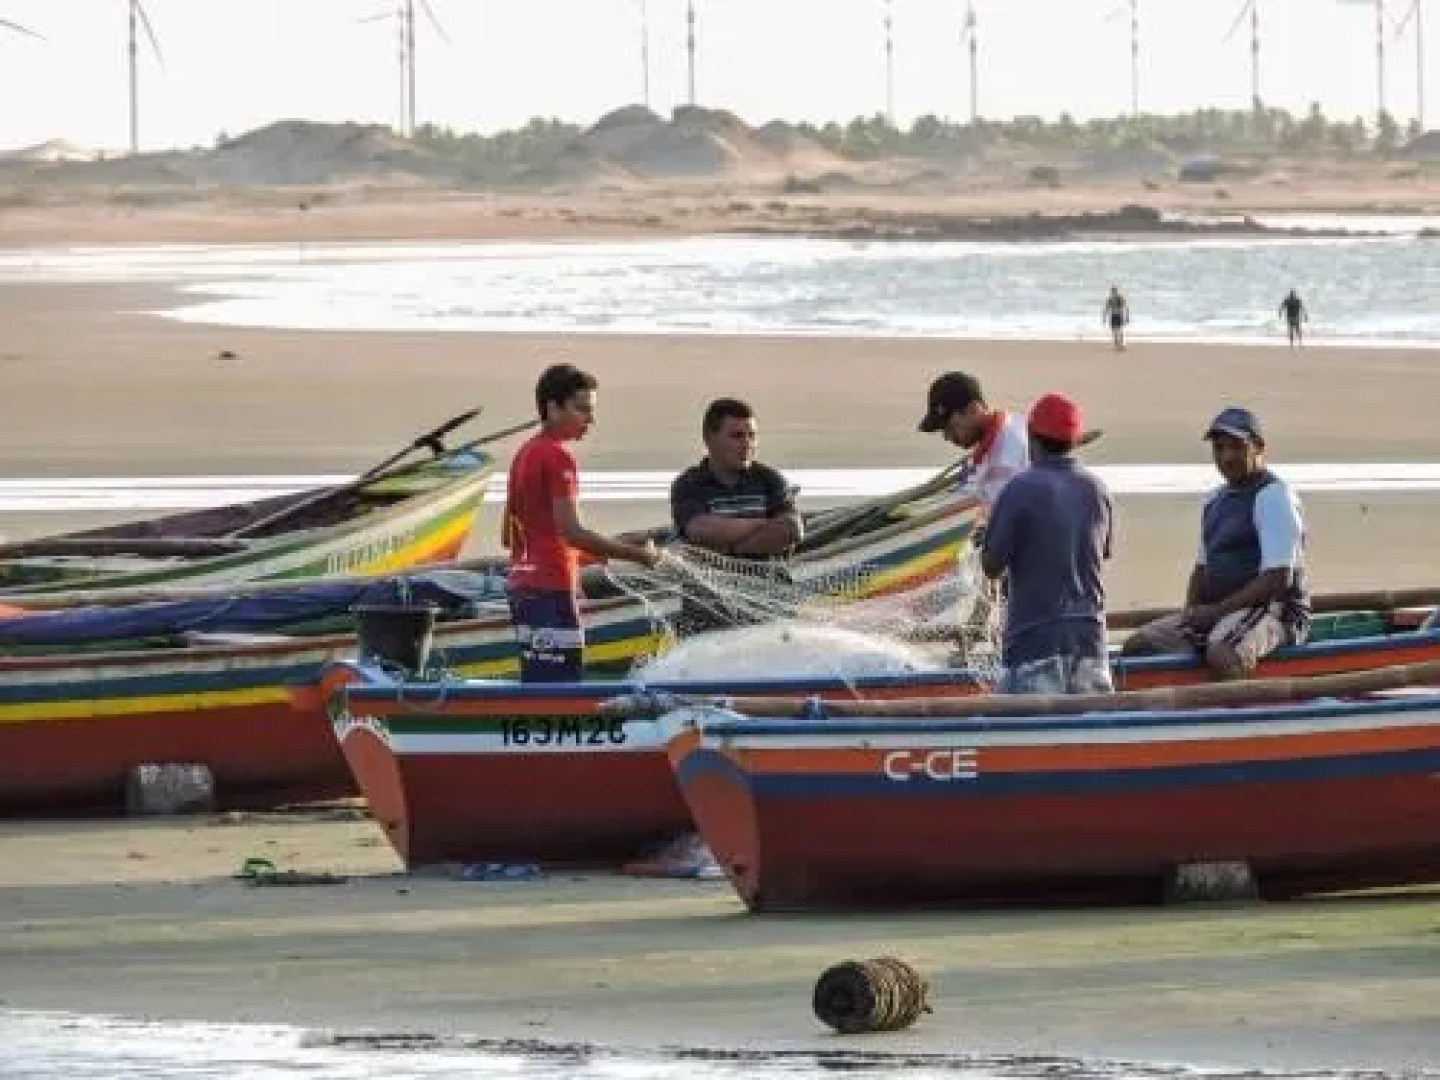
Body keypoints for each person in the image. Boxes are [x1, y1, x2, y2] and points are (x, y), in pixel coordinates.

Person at [1121, 407, 1310, 679]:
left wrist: (1216, 613)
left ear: (1258, 447)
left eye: (1236, 447)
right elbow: (1201, 569)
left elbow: (1277, 579)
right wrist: (1192, 614)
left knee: (1222, 653)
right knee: (1139, 647)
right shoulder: (1213, 500)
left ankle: (1240, 713)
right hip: (1222, 613)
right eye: (1219, 449)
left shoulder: (1274, 496)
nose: (1226, 457)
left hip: (1272, 612)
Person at [503, 363, 660, 683]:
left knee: (538, 682)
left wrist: (584, 557)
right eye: (582, 409)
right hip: (550, 589)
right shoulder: (559, 458)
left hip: (522, 585)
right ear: (552, 407)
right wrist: (637, 556)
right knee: (561, 687)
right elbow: (571, 531)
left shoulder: (524, 453)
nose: (590, 420)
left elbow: (514, 535)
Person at [980, 392, 1114, 695]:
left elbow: (991, 566)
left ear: (1031, 437)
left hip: (1034, 642)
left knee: (1017, 733)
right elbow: (1100, 553)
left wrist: (985, 535)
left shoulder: (1019, 489)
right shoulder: (1097, 489)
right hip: (1091, 642)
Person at [670, 398, 803, 557]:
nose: (747, 444)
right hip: (705, 578)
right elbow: (699, 530)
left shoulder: (769, 478)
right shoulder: (689, 483)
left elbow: (791, 528)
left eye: (752, 436)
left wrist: (734, 554)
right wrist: (765, 525)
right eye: (737, 436)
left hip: (768, 576)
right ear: (709, 439)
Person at [917, 371, 1029, 508]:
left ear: (973, 409)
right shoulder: (1003, 429)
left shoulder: (1007, 456)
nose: (947, 437)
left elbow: (994, 512)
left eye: (950, 428)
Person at [1102, 286, 1130, 351]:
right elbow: (1106, 309)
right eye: (1112, 292)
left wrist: (1127, 317)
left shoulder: (1120, 298)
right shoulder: (1109, 300)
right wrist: (1104, 318)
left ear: (1116, 292)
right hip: (1113, 316)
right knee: (1114, 331)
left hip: (1119, 316)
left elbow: (1126, 307)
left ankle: (1121, 344)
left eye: (1114, 292)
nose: (1113, 293)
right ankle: (1116, 344)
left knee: (1120, 330)